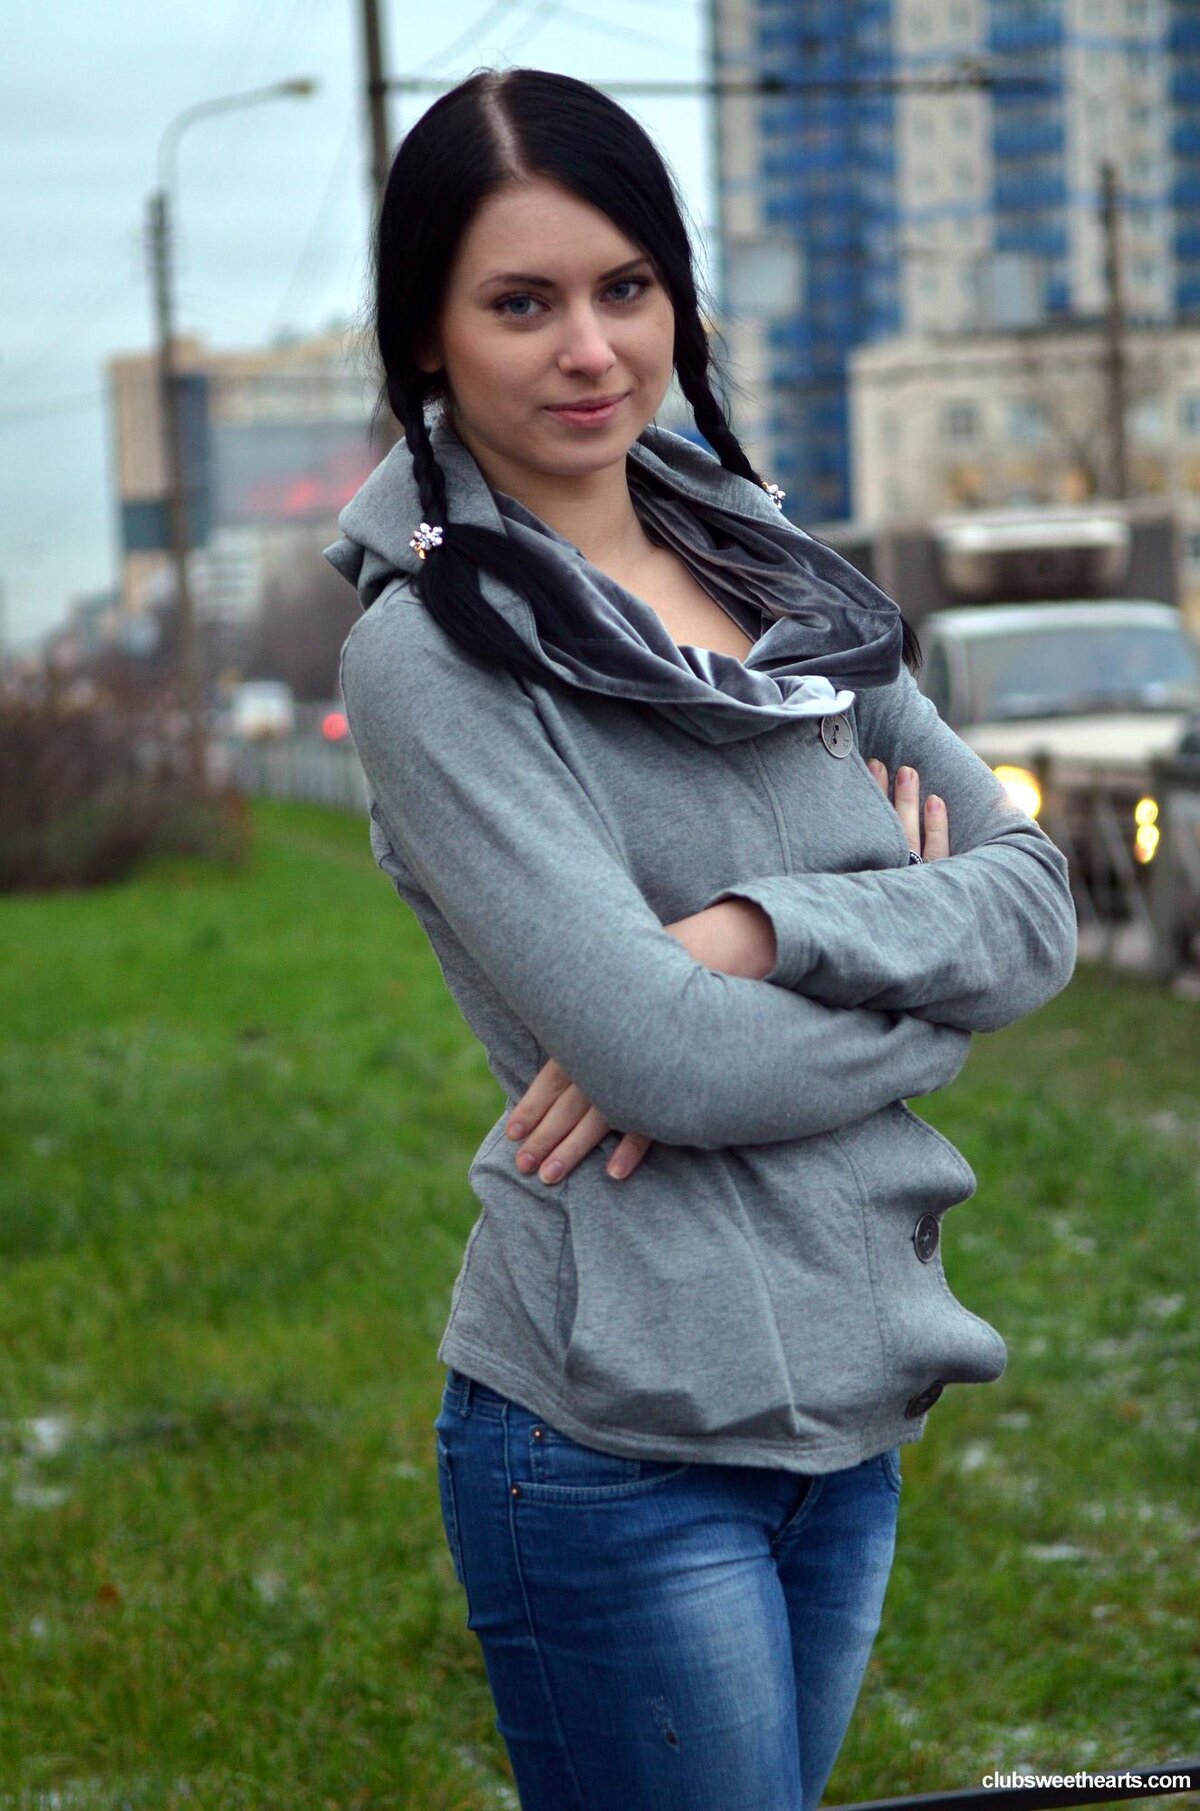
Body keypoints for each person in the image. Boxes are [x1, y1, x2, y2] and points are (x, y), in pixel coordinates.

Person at [325, 67, 1077, 1811]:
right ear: (429, 335)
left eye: (627, 287)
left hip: (850, 1404)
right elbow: (662, 1057)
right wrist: (919, 968)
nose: (589, 348)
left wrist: (752, 932)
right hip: (613, 1438)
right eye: (521, 303)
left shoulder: (782, 575)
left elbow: (1038, 908)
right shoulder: (430, 656)